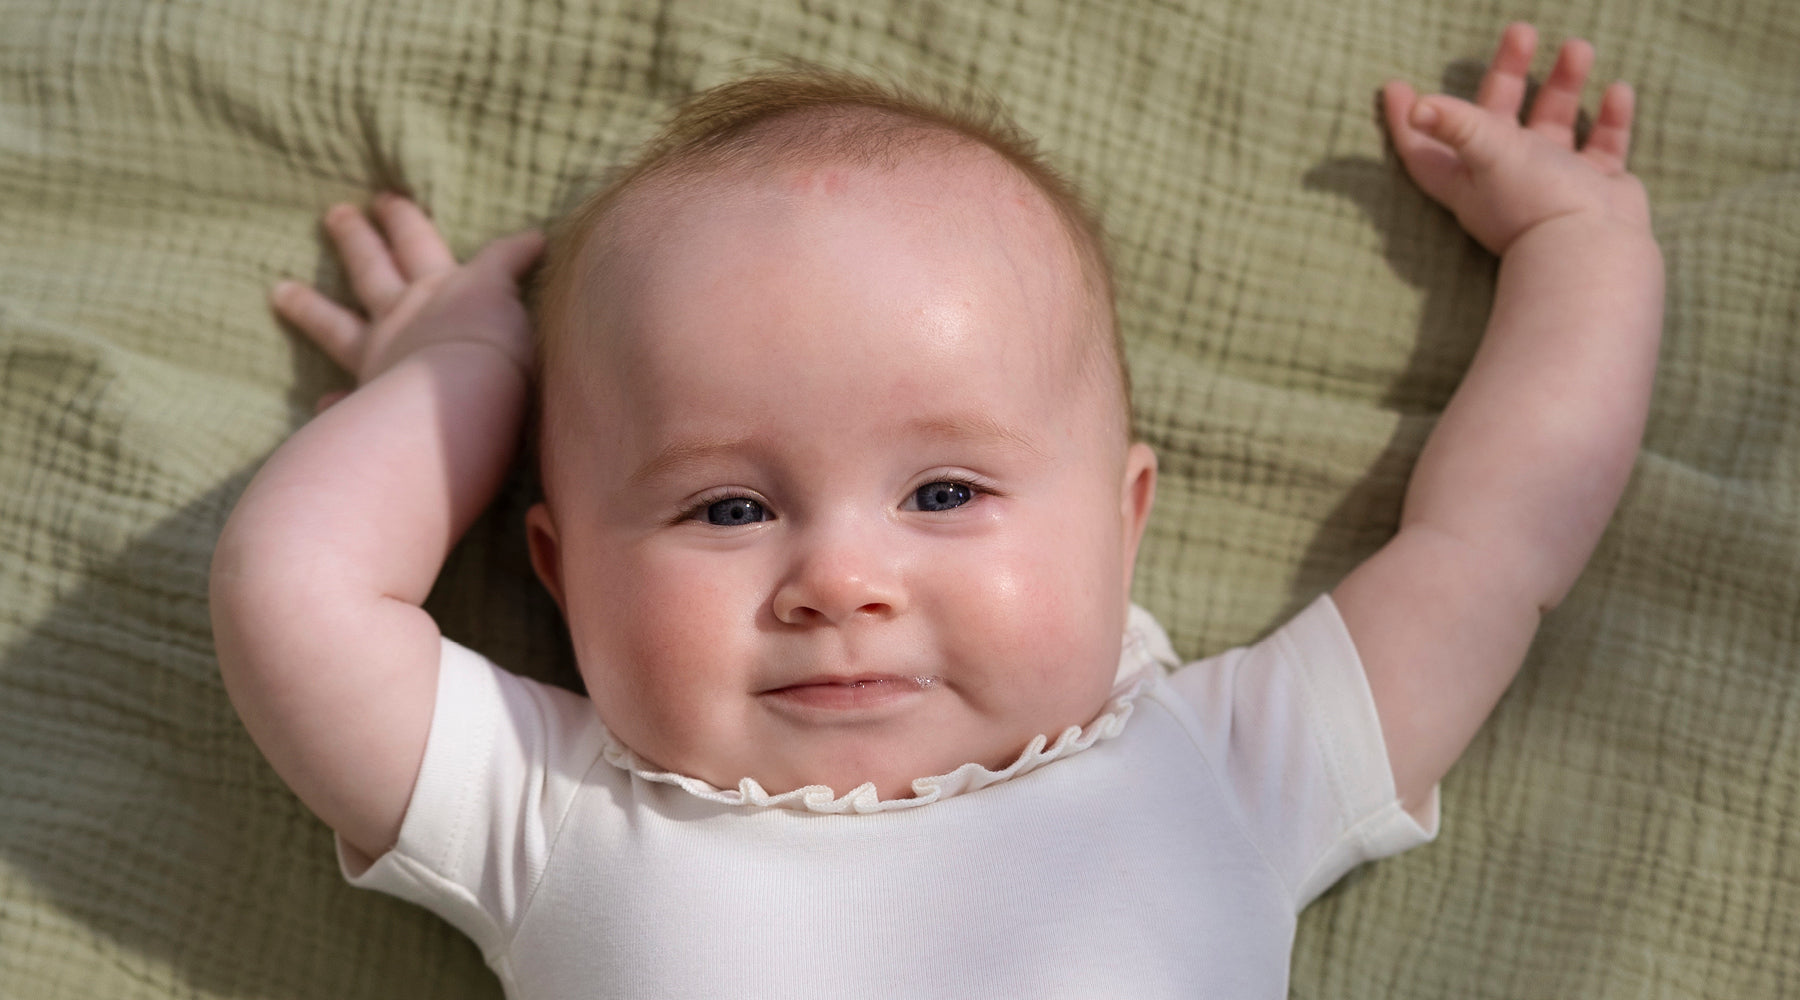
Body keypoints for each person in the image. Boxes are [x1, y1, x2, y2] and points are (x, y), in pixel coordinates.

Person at [209, 22, 1662, 997]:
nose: (841, 576)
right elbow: (298, 594)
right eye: (725, 509)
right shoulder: (555, 806)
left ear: (1122, 518)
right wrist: (466, 369)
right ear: (560, 568)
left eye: (947, 490)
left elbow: (1495, 535)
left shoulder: (1228, 766)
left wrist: (1579, 246)